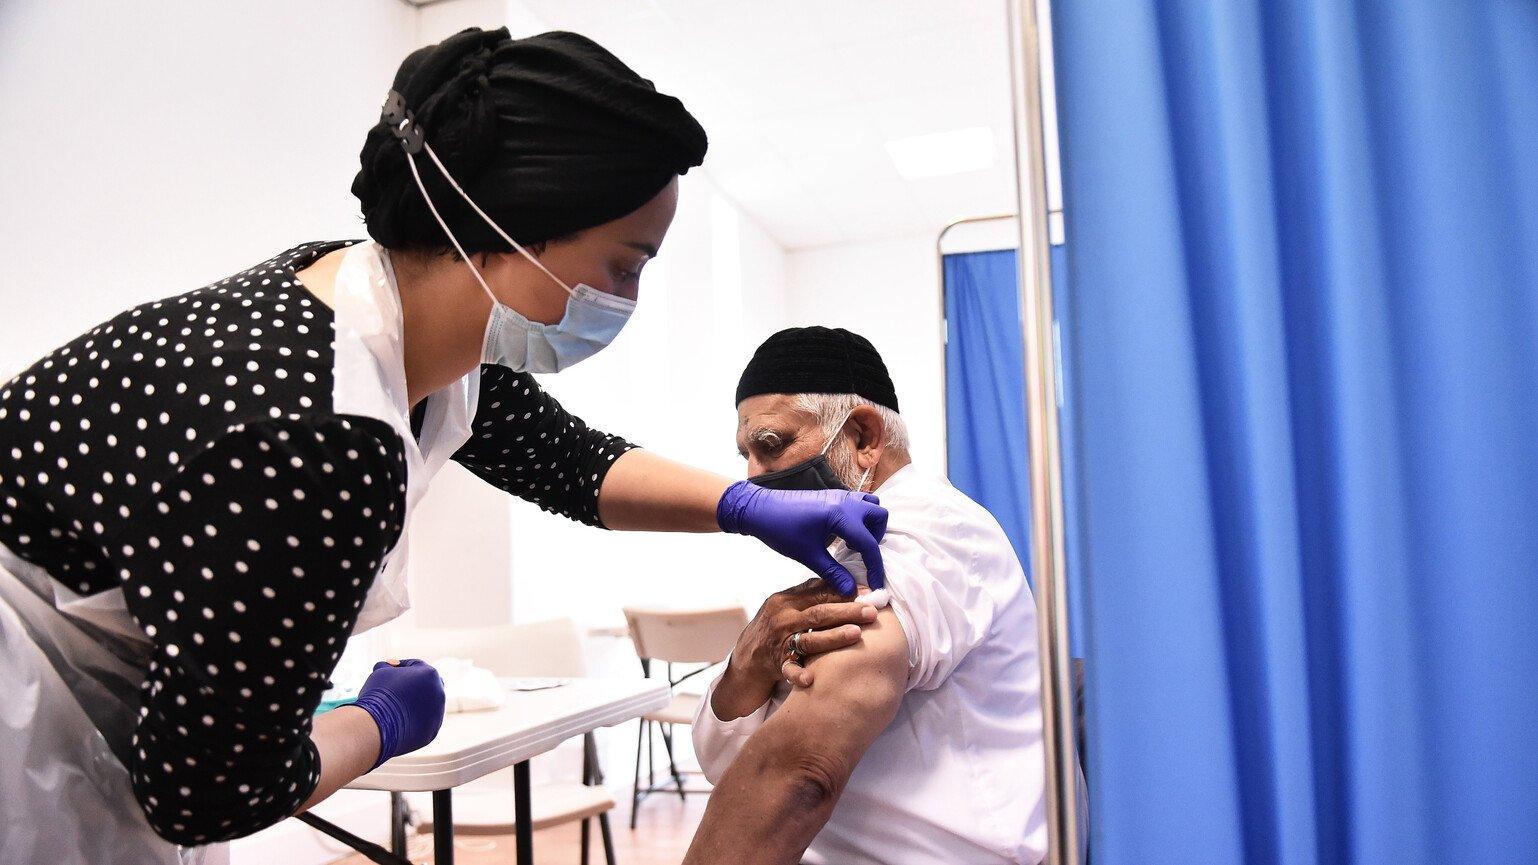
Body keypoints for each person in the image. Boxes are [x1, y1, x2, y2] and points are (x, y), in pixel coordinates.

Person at [0, 29, 887, 863]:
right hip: (27, 701)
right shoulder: (318, 433)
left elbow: (566, 461)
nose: (630, 299)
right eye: (627, 264)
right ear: (514, 228)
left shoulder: (389, 312)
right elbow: (205, 789)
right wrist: (383, 720)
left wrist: (745, 507)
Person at [683, 326, 1048, 865]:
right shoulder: (841, 551)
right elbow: (725, 762)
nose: (753, 480)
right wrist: (747, 661)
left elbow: (797, 774)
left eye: (770, 447)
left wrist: (755, 678)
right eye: (746, 457)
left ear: (861, 437)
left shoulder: (935, 531)